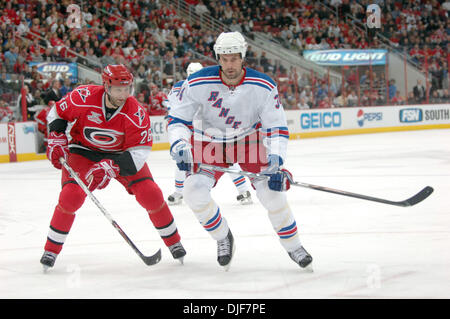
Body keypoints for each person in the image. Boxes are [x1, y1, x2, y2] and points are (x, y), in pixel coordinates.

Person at [167, 32, 312, 270]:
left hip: (248, 140)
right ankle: (223, 237)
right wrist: (180, 144)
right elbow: (179, 119)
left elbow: (275, 126)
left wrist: (276, 159)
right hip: (208, 141)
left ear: (242, 57)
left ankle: (293, 245)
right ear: (218, 58)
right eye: (224, 59)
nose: (229, 64)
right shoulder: (197, 82)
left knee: (271, 193)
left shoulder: (263, 85)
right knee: (193, 190)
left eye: (234, 58)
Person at [40, 64, 186, 270]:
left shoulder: (135, 111)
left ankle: (174, 242)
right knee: (70, 196)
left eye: (127, 89)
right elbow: (57, 112)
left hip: (121, 155)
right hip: (83, 151)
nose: (124, 94)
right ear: (106, 86)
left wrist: (112, 166)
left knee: (150, 193)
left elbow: (140, 151)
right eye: (118, 89)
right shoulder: (83, 97)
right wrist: (56, 136)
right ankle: (50, 249)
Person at [166, 62, 253, 206]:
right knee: (183, 159)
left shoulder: (213, 86)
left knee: (228, 159)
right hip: (190, 131)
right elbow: (174, 107)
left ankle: (243, 190)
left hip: (208, 131)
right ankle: (179, 192)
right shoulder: (179, 87)